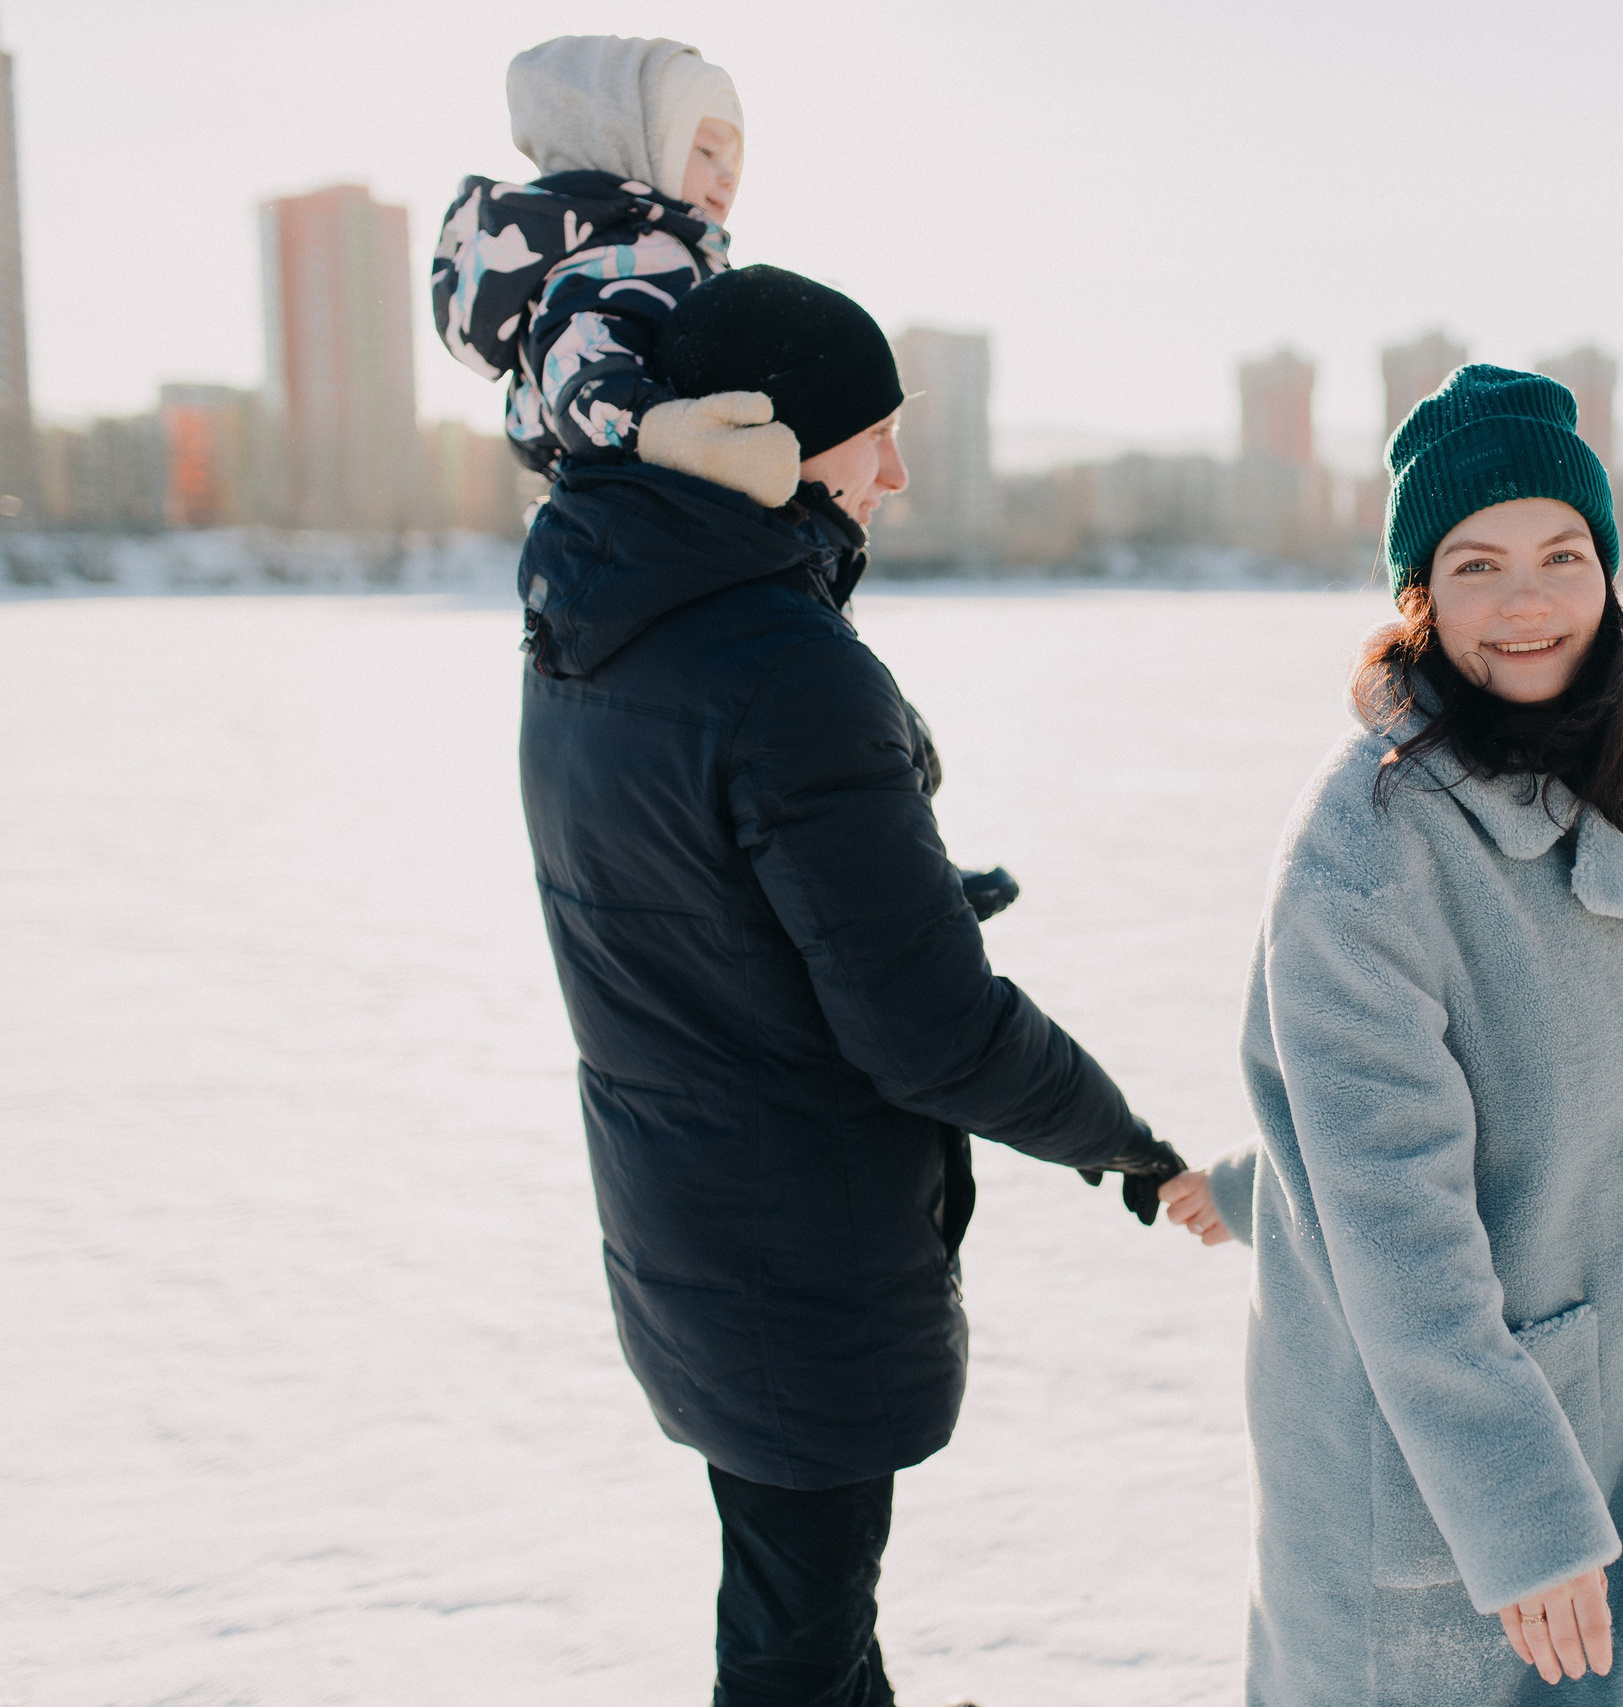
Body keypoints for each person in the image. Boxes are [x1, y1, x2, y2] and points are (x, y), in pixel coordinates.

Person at [515, 262, 1187, 1706]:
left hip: (690, 1212)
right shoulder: (786, 664)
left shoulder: (598, 607)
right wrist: (1119, 1138)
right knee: (795, 1649)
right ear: (765, 439)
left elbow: (695, 890)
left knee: (794, 1598)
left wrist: (915, 894)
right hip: (794, 1249)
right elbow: (936, 1035)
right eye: (870, 431)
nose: (897, 469)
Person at [1160, 365, 1623, 1702]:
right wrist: (1522, 1515)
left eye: (1562, 555)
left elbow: (1458, 1102)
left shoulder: (1610, 798)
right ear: (1421, 597)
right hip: (1464, 1466)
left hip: (1612, 1405)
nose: (1529, 602)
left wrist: (1258, 1177)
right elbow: (1397, 1212)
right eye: (1478, 565)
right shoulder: (1369, 844)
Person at [431, 35, 804, 505]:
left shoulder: (668, 251)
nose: (728, 176)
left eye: (734, 161)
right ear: (633, 143)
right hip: (628, 516)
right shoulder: (616, 257)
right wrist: (667, 433)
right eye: (707, 152)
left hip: (641, 511)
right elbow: (583, 370)